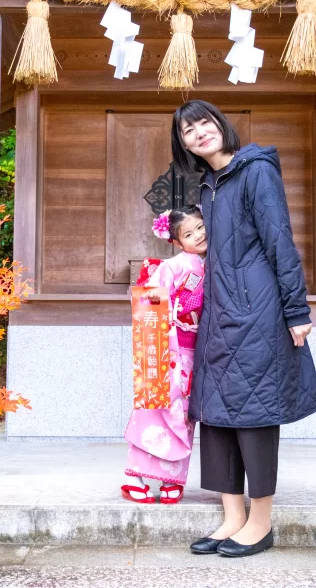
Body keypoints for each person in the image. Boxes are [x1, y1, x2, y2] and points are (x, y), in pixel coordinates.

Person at [171, 100, 316, 557]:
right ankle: (232, 517)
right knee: (215, 415)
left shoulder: (255, 171)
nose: (199, 133)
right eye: (188, 131)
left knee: (255, 414)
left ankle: (260, 523)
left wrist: (296, 310)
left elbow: (280, 240)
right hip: (219, 314)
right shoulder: (209, 185)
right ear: (184, 144)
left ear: (220, 125)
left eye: (204, 123)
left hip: (258, 311)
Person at [121, 205, 207, 505]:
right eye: (188, 233)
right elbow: (152, 310)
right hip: (167, 351)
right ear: (175, 241)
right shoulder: (171, 267)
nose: (198, 235)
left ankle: (173, 479)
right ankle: (134, 476)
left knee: (183, 416)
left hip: (194, 352)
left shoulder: (210, 265)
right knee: (153, 411)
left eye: (200, 227)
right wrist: (167, 346)